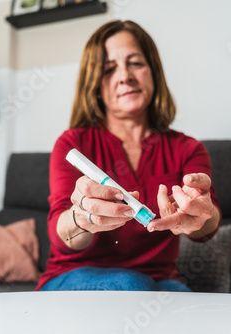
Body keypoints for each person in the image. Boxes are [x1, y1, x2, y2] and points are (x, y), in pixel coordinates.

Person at [37, 20, 221, 292]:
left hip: (160, 279)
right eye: (109, 69)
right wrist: (82, 217)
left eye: (135, 63)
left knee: (186, 304)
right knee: (130, 285)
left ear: (153, 72)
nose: (125, 76)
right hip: (73, 275)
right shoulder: (73, 144)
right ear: (95, 85)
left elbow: (209, 225)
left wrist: (200, 214)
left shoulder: (188, 148)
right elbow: (60, 234)